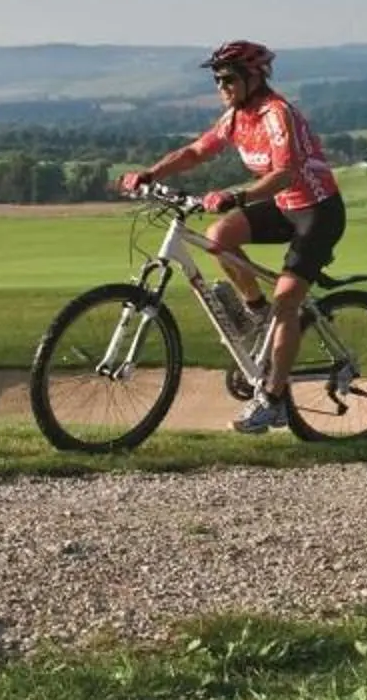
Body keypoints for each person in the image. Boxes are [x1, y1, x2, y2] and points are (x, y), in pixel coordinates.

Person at [121, 40, 345, 436]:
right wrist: (151, 174)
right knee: (218, 236)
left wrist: (235, 196)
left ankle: (274, 401)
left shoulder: (278, 115)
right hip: (282, 206)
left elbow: (287, 173)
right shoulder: (236, 117)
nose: (221, 86)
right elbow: (196, 152)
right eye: (216, 80)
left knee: (288, 300)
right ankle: (257, 313)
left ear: (253, 77)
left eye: (227, 78)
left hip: (318, 211)